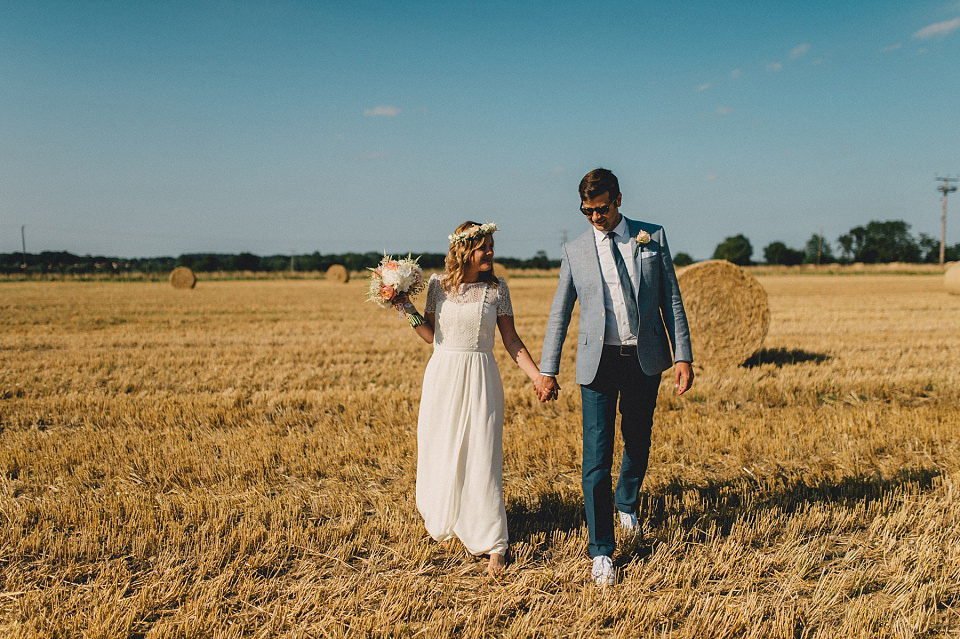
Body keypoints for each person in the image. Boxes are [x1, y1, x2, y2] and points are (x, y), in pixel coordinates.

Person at [535, 168, 694, 586]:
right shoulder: (576, 250)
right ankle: (601, 551)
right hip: (598, 363)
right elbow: (559, 313)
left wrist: (683, 357)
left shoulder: (651, 238)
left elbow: (671, 300)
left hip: (644, 358)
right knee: (595, 457)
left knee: (638, 441)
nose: (595, 218)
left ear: (618, 200)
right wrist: (547, 369)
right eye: (587, 211)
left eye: (601, 209)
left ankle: (627, 505)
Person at [400, 221, 543, 576]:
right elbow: (431, 335)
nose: (491, 253)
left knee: (482, 454)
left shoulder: (497, 290)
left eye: (491, 246)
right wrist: (404, 307)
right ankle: (452, 520)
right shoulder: (438, 286)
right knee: (442, 449)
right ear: (464, 251)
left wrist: (537, 376)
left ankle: (494, 541)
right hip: (443, 375)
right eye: (484, 248)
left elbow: (511, 340)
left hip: (480, 376)